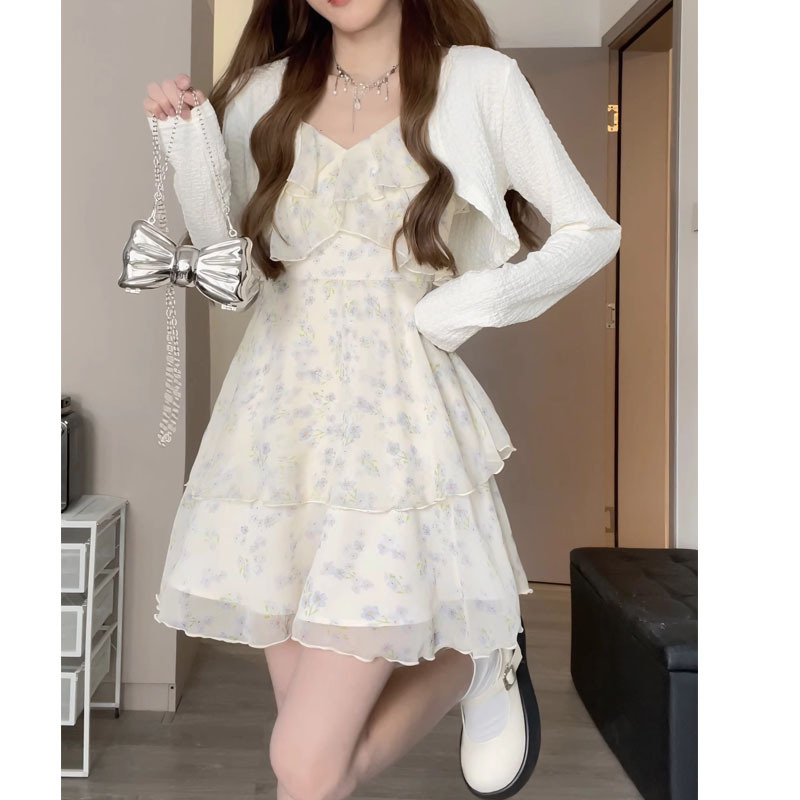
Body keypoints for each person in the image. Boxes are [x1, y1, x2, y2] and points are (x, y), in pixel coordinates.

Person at [142, 1, 621, 798]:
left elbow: (590, 230)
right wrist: (189, 147)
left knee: (305, 764)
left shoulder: (478, 81)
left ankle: (473, 660)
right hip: (274, 435)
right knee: (313, 759)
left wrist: (465, 304)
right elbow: (239, 282)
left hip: (394, 435)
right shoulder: (261, 93)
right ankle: (472, 664)